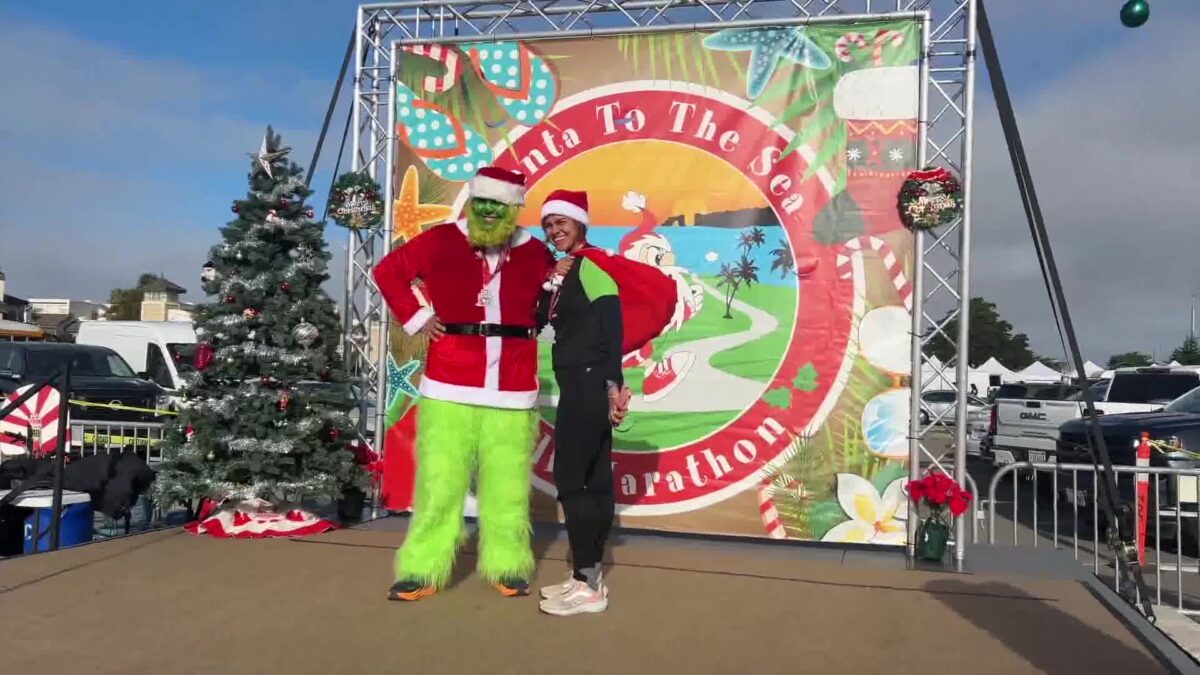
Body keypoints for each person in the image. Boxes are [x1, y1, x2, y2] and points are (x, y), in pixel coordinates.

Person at [373, 166, 554, 601]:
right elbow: (388, 271)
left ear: (514, 209)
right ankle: (421, 568)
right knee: (440, 484)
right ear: (473, 203)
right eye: (483, 206)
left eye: (500, 208)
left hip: (512, 387)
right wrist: (419, 318)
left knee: (508, 486)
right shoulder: (441, 240)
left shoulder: (535, 252)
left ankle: (507, 564)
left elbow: (554, 300)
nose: (489, 215)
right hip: (450, 383)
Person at [536, 189, 632, 616]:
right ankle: (585, 579)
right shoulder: (565, 272)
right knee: (591, 476)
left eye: (562, 223)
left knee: (575, 478)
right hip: (576, 381)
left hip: (591, 381)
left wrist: (614, 386)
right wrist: (549, 280)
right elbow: (538, 319)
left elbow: (613, 331)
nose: (555, 230)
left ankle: (588, 583)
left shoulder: (593, 266)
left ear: (580, 224)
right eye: (548, 225)